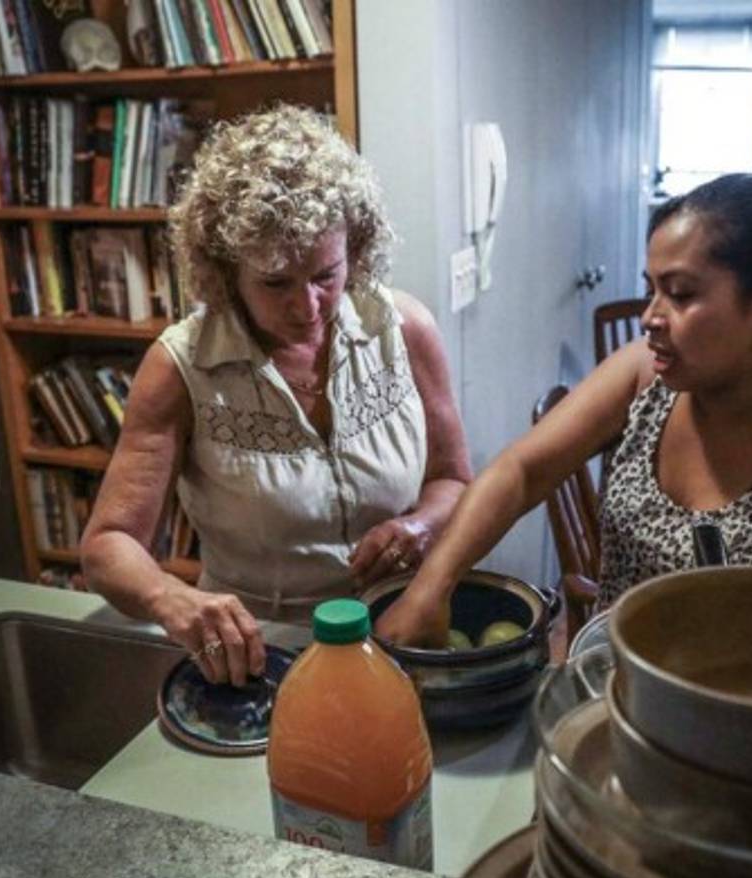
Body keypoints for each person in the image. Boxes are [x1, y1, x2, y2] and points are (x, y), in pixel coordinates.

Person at [377, 173, 752, 647]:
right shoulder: (643, 378)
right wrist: (432, 585)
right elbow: (522, 471)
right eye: (651, 290)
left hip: (749, 742)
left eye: (680, 295)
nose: (651, 317)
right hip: (610, 701)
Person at [80, 105, 471, 683]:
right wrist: (171, 597)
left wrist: (421, 526)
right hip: (261, 652)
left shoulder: (405, 331)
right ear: (225, 268)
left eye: (325, 276)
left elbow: (454, 480)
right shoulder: (181, 366)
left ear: (355, 248)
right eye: (274, 283)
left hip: (401, 626)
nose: (306, 307)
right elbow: (107, 545)